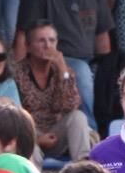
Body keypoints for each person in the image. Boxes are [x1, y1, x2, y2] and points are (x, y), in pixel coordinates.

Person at [17, 0, 107, 121]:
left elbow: (102, 35)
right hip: (54, 59)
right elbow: (23, 35)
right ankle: (91, 130)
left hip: (92, 60)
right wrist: (16, 71)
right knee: (81, 70)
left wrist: (107, 67)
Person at [16, 20, 91, 161]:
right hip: (29, 137)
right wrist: (37, 138)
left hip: (56, 135)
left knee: (78, 117)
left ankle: (83, 167)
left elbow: (70, 106)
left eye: (52, 40)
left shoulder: (64, 71)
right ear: (28, 46)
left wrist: (63, 71)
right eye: (41, 41)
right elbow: (16, 116)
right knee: (27, 139)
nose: (47, 46)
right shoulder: (17, 73)